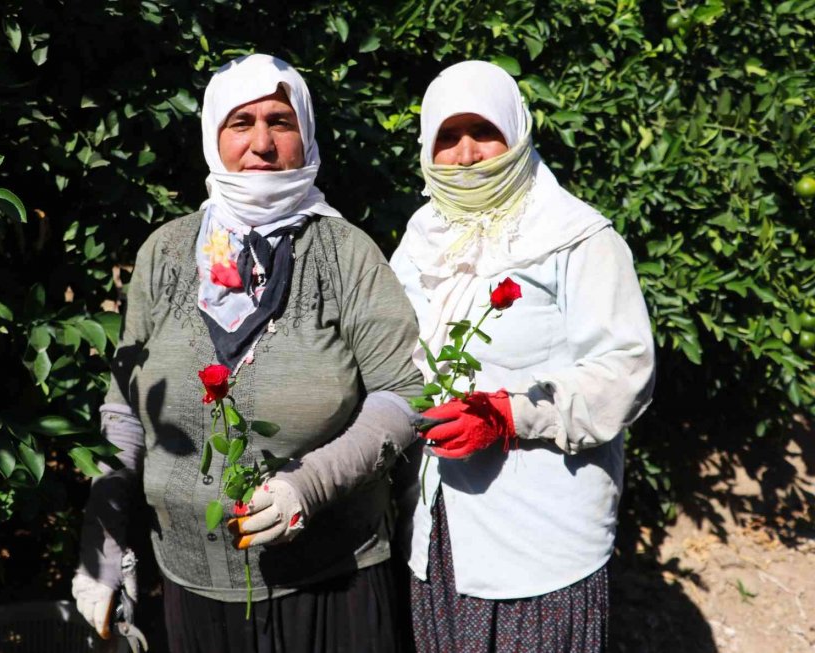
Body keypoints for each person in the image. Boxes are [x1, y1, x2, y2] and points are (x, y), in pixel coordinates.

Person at [71, 53, 422, 653]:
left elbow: (404, 392)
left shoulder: (345, 253)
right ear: (213, 135)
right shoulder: (167, 252)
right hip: (191, 583)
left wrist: (307, 486)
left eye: (280, 121)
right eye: (241, 123)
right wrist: (102, 550)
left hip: (332, 579)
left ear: (305, 134)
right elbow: (126, 411)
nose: (261, 143)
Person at [389, 61, 656, 652]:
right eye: (448, 137)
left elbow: (626, 370)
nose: (466, 155)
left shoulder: (578, 237)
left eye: (483, 132)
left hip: (540, 542)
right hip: (442, 533)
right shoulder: (421, 236)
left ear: (517, 132)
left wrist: (510, 414)